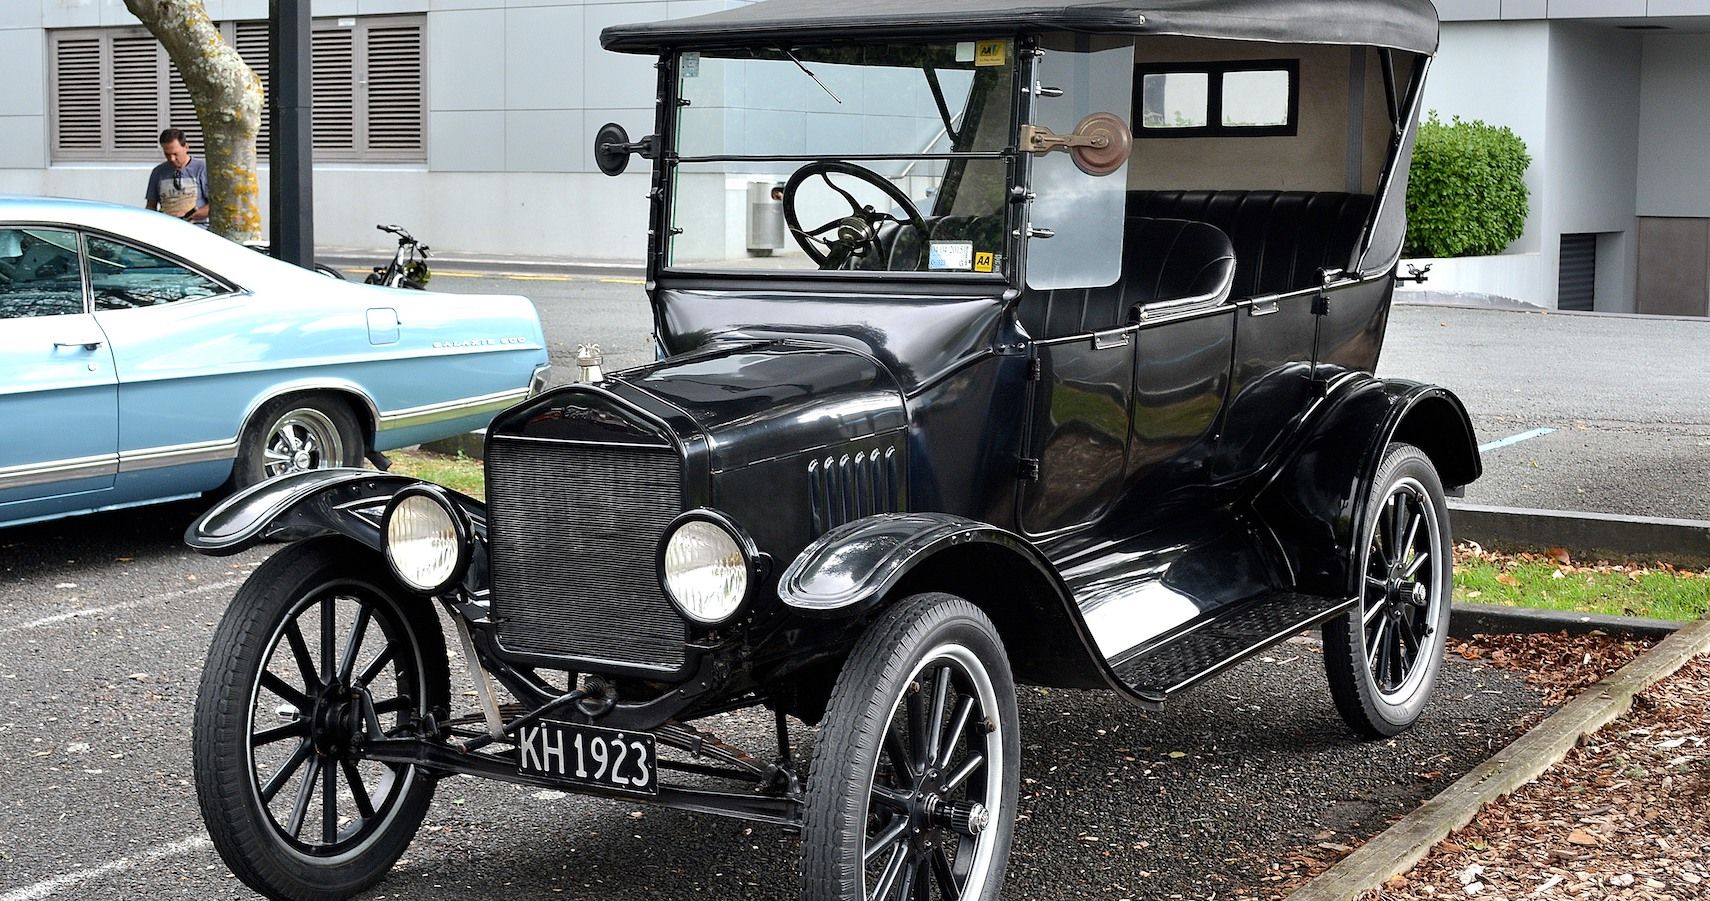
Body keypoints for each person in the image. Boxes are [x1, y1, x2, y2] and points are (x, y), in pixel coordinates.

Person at [145, 128, 211, 228]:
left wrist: (190, 215)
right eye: (167, 154)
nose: (172, 159)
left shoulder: (202, 169)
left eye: (175, 154)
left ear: (186, 147)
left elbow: (214, 206)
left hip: (197, 228)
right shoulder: (158, 172)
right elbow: (151, 205)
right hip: (166, 228)